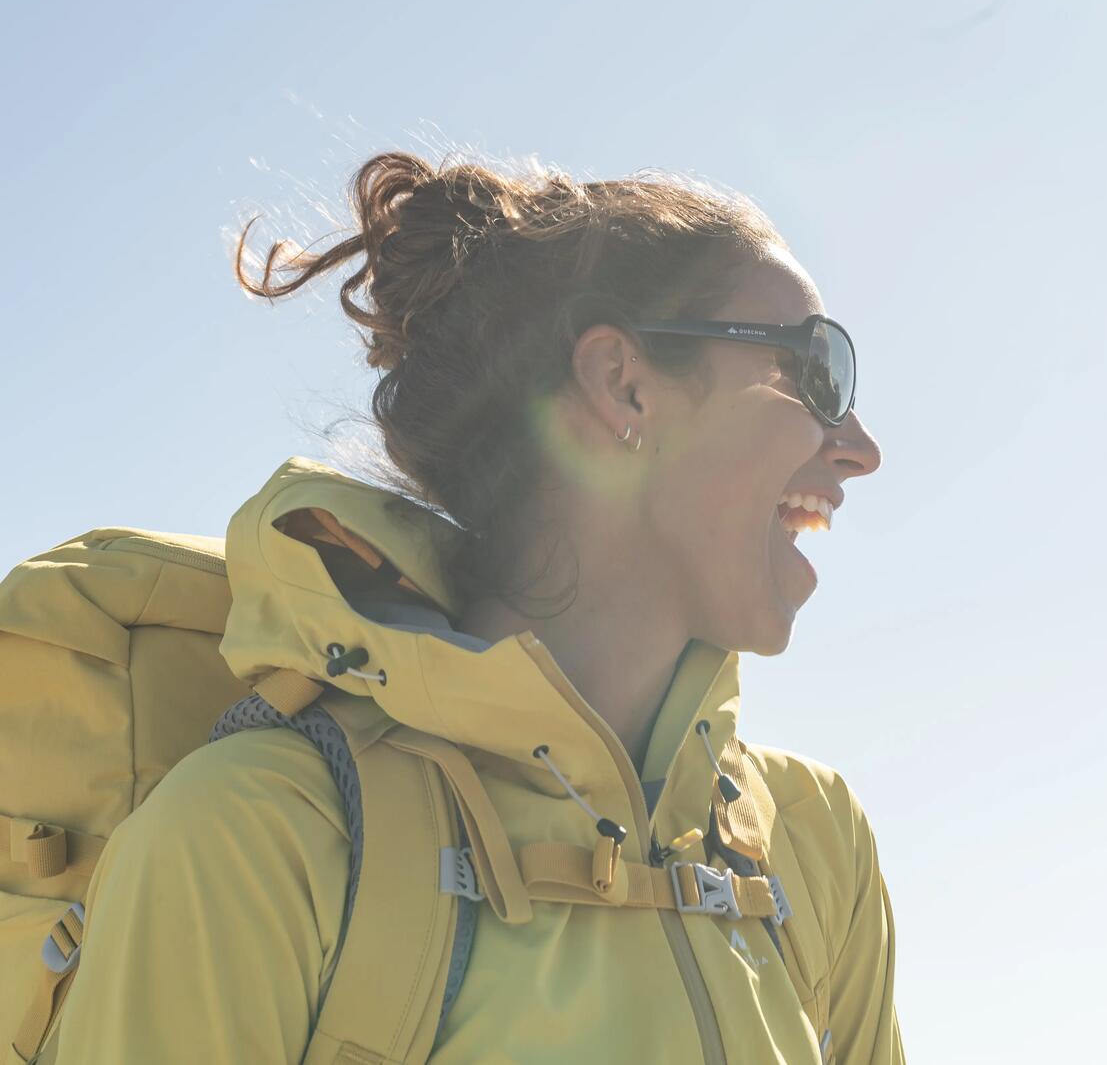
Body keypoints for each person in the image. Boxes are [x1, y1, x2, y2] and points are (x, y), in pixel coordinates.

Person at [47, 150, 901, 1063]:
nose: (859, 446)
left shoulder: (816, 842)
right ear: (625, 385)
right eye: (818, 370)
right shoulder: (255, 840)